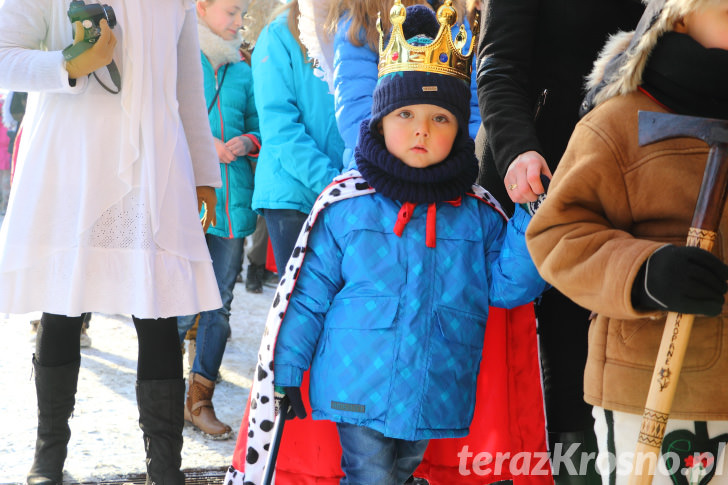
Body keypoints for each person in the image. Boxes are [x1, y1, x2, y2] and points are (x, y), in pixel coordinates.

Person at [272, 3, 547, 483]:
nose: (421, 128)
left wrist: (530, 217)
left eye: (441, 118)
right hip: (355, 386)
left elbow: (505, 287)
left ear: (461, 129)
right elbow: (308, 295)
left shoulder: (477, 213)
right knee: (372, 474)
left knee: (400, 472)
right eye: (405, 113)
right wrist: (288, 369)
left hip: (434, 386)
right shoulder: (349, 206)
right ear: (379, 122)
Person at [0, 0, 222, 483]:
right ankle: (47, 459)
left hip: (152, 165)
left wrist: (203, 171)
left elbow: (186, 81)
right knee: (61, 309)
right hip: (72, 165)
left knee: (158, 313)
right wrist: (67, 65)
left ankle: (166, 469)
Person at [526, 1, 728, 484]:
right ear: (682, 15)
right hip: (658, 389)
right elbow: (557, 235)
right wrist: (644, 274)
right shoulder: (619, 122)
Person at [475, 2, 644, 482]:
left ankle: (574, 471)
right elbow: (498, 67)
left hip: (614, 182)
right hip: (528, 180)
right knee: (513, 362)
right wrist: (518, 150)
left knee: (578, 359)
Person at [176, 0, 261, 440]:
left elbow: (260, 126)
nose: (238, 22)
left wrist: (244, 142)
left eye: (242, 14)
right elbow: (161, 119)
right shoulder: (177, 58)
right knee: (176, 299)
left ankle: (199, 400)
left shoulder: (244, 71)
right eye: (231, 12)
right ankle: (165, 396)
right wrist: (204, 142)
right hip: (185, 199)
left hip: (233, 203)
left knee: (219, 302)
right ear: (202, 8)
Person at [307, 0, 480, 170]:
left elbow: (473, 103)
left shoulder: (456, 16)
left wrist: (459, 155)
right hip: (377, 170)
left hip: (446, 170)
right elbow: (355, 107)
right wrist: (395, 164)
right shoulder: (363, 17)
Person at [250, 0, 345, 278]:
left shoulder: (354, 32)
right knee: (300, 308)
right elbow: (278, 124)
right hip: (293, 195)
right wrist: (331, 181)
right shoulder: (277, 34)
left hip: (344, 190)